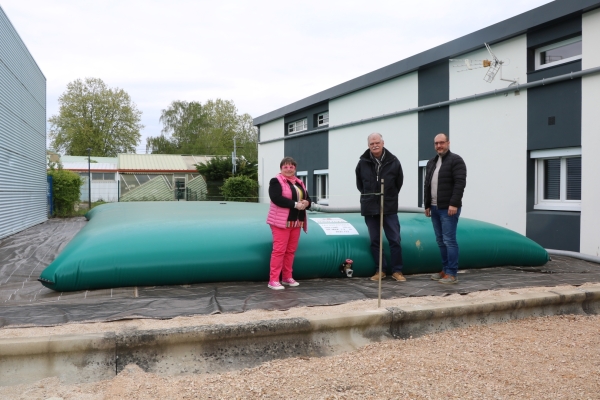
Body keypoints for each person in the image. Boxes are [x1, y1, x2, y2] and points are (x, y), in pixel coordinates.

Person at [355, 133, 405, 282]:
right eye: (372, 143)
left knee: (395, 239)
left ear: (383, 143)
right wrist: (369, 197)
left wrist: (388, 197)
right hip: (370, 208)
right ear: (368, 145)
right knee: (375, 241)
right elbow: (360, 184)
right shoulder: (362, 163)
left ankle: (397, 271)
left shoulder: (394, 161)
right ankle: (380, 270)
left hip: (389, 207)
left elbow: (399, 183)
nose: (375, 145)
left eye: (377, 142)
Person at [424, 133, 467, 284]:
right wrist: (427, 204)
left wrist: (454, 203)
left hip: (448, 208)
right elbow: (427, 185)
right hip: (435, 208)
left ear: (448, 143)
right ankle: (445, 270)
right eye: (436, 143)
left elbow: (460, 183)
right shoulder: (431, 163)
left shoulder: (456, 160)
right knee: (440, 241)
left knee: (449, 240)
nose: (439, 146)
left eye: (442, 143)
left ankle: (452, 273)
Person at [266, 157, 311, 290]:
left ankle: (287, 277)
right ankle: (273, 280)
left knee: (290, 251)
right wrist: (295, 204)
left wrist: (306, 203)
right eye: (286, 167)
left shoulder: (299, 182)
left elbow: (307, 197)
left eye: (291, 167)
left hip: (296, 222)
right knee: (279, 251)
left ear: (295, 168)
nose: (289, 169)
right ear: (281, 168)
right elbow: (276, 198)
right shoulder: (275, 181)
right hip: (281, 222)